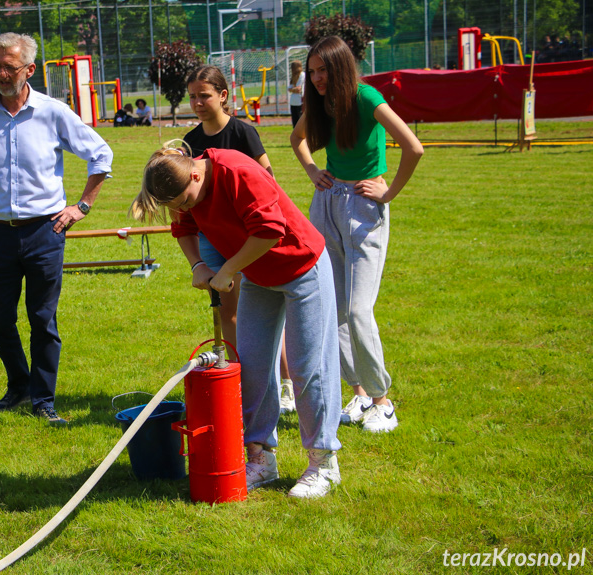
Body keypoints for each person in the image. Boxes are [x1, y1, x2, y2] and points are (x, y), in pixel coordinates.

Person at [131, 143, 343, 499]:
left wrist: (228, 268)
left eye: (186, 201)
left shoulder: (236, 171)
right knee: (252, 369)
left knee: (309, 368)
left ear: (196, 173)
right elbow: (183, 230)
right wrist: (199, 265)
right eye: (177, 206)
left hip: (303, 266)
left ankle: (323, 462)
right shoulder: (186, 187)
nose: (185, 210)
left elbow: (270, 231)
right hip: (259, 276)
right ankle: (261, 459)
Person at [0, 33, 113, 426]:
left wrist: (81, 206)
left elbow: (101, 155)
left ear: (29, 70)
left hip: (45, 231)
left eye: (9, 66)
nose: (1, 74)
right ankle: (19, 384)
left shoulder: (53, 112)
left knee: (42, 319)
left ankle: (43, 399)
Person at [290, 35, 423, 433]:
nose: (315, 79)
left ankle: (384, 401)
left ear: (339, 66)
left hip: (365, 206)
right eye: (311, 72)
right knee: (336, 308)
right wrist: (313, 171)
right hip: (327, 205)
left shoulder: (366, 98)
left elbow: (413, 147)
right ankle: (362, 393)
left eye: (322, 70)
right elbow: (297, 140)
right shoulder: (321, 102)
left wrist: (388, 192)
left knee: (358, 310)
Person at [181, 65, 295, 414]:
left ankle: (286, 383)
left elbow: (268, 179)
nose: (198, 102)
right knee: (228, 313)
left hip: (248, 236)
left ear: (223, 96)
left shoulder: (243, 133)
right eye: (193, 97)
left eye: (205, 95)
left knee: (261, 312)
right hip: (210, 237)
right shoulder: (190, 142)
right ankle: (242, 378)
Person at [287, 60, 305, 127]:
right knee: (295, 123)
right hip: (293, 101)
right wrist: (293, 89)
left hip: (299, 101)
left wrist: (293, 89)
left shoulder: (302, 75)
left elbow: (298, 89)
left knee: (300, 122)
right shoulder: (293, 77)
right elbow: (289, 88)